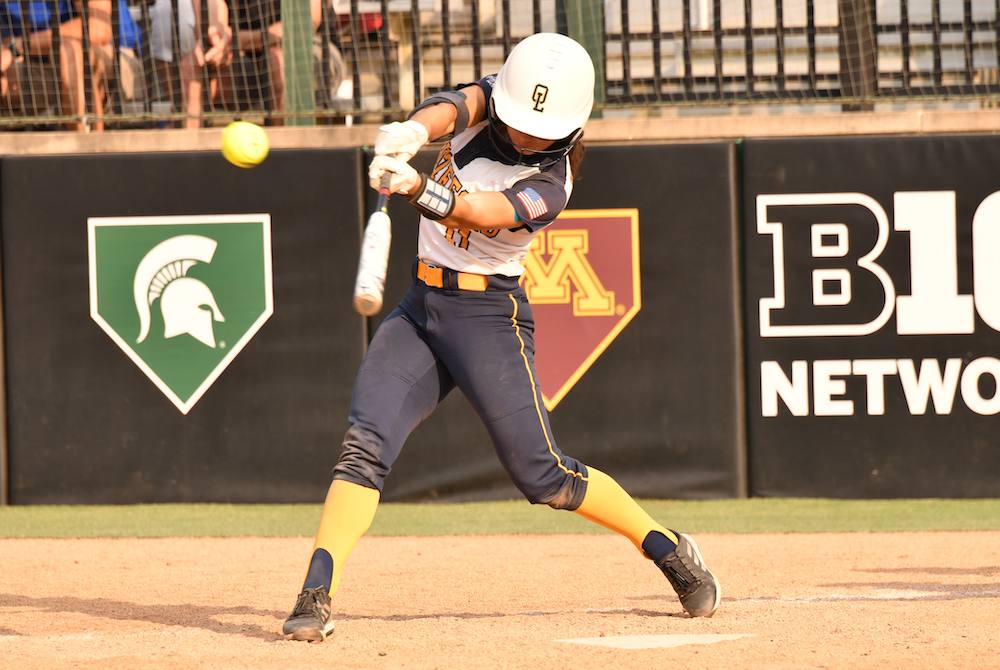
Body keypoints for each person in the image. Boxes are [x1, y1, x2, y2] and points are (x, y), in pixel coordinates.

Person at [280, 32, 722, 643]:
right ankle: (315, 592)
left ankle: (665, 545)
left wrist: (413, 186)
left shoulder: (554, 179)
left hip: (489, 317)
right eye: (521, 121)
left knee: (543, 476)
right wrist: (410, 132)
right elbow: (453, 106)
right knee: (365, 445)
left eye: (543, 128)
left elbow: (480, 212)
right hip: (420, 309)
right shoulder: (495, 101)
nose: (527, 135)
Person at [0, 0, 142, 131]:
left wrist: (20, 45)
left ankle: (89, 150)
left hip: (112, 56)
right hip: (34, 65)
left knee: (69, 52)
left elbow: (98, 29)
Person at [214, 0, 321, 121]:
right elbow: (216, 18)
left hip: (311, 49)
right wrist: (219, 39)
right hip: (245, 55)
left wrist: (236, 39)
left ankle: (283, 139)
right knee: (198, 69)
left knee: (277, 63)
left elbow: (303, 26)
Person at [149, 0, 231, 128]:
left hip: (254, 60)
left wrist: (237, 38)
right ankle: (186, 137)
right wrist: (210, 32)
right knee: (168, 8)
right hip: (218, 55)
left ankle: (175, 125)